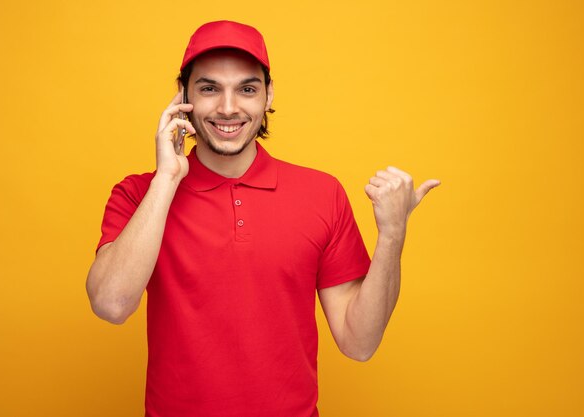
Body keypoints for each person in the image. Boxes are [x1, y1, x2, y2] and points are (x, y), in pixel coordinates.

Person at [86, 20, 440, 417]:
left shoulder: (322, 194)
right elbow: (111, 304)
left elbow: (360, 343)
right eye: (208, 88)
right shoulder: (140, 194)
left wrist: (392, 235)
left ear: (268, 95)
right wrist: (167, 178)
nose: (228, 107)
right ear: (182, 96)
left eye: (247, 89)